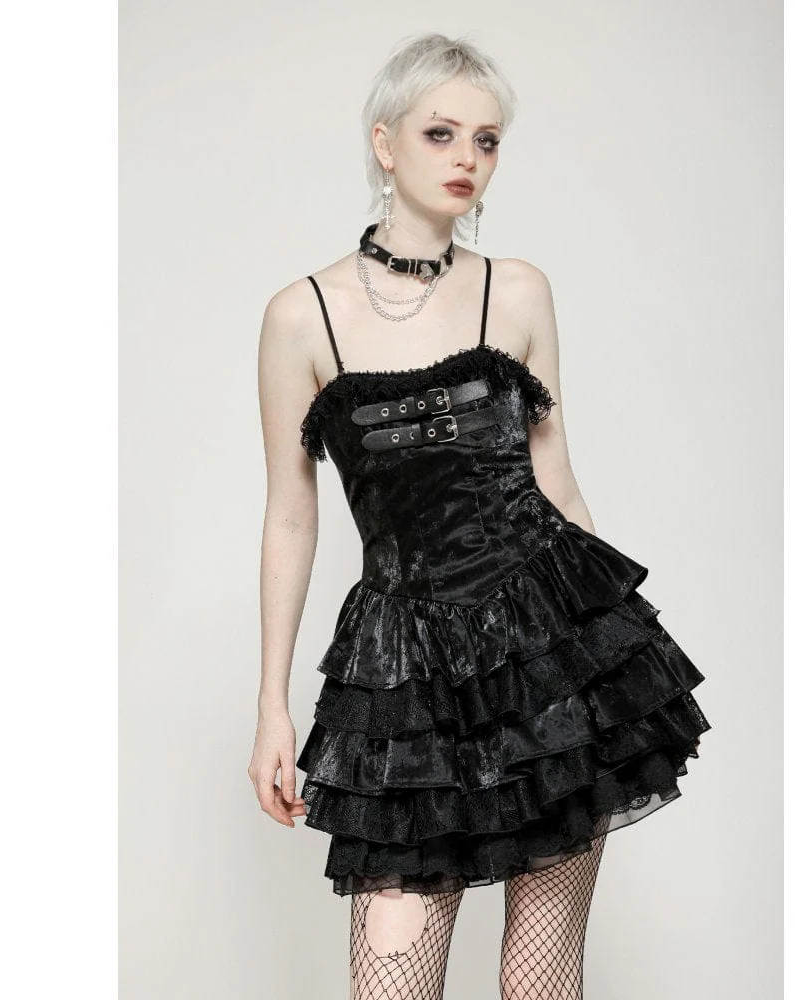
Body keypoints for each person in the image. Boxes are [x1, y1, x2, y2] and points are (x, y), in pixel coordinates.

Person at [249, 32, 712, 1000]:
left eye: (487, 140)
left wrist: (607, 653)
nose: (467, 157)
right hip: (404, 678)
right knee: (391, 982)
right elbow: (291, 516)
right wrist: (273, 707)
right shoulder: (302, 316)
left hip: (545, 659)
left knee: (539, 983)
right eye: (441, 133)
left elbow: (558, 484)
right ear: (384, 144)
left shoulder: (519, 290)